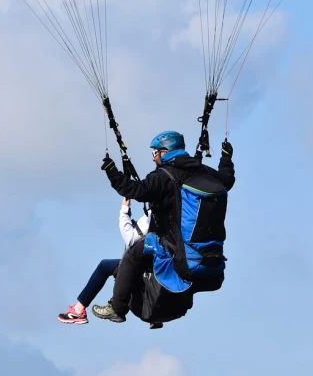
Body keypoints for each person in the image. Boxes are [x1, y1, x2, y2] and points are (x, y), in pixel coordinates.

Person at [92, 130, 235, 323]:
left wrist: (112, 172)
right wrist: (226, 158)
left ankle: (117, 308)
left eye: (154, 153)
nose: (153, 159)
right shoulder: (205, 172)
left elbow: (134, 190)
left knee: (133, 255)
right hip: (209, 257)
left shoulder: (163, 176)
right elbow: (227, 179)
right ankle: (156, 308)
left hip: (177, 251)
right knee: (150, 251)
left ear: (166, 152)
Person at [58, 197, 150, 324]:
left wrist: (124, 210)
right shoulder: (173, 213)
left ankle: (78, 310)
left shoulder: (153, 215)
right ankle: (154, 317)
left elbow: (130, 238)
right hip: (159, 265)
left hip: (144, 267)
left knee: (104, 266)